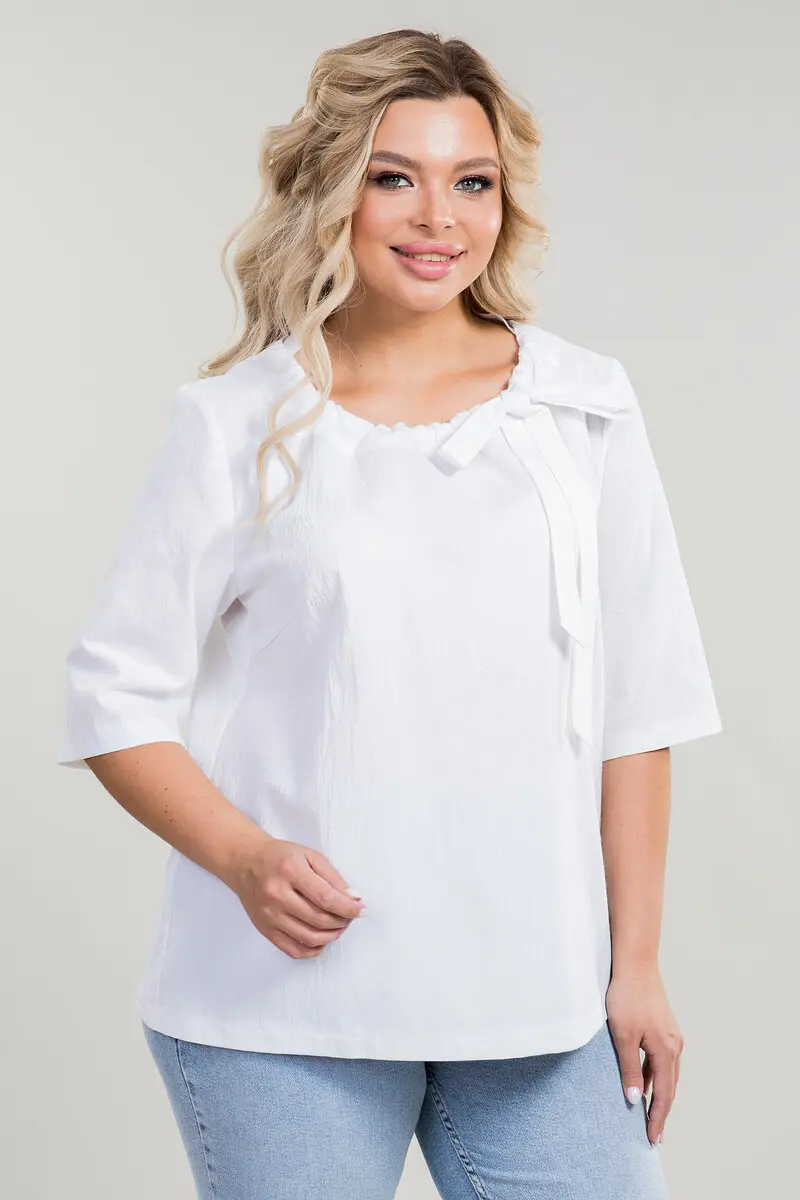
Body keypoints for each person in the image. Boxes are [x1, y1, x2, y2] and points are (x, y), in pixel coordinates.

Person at [57, 27, 722, 1200]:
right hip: (281, 1007)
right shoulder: (238, 420)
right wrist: (243, 858)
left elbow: (638, 708)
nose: (436, 218)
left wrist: (636, 968)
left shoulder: (581, 408)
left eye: (471, 182)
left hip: (538, 998)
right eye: (393, 177)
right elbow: (114, 695)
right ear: (333, 194)